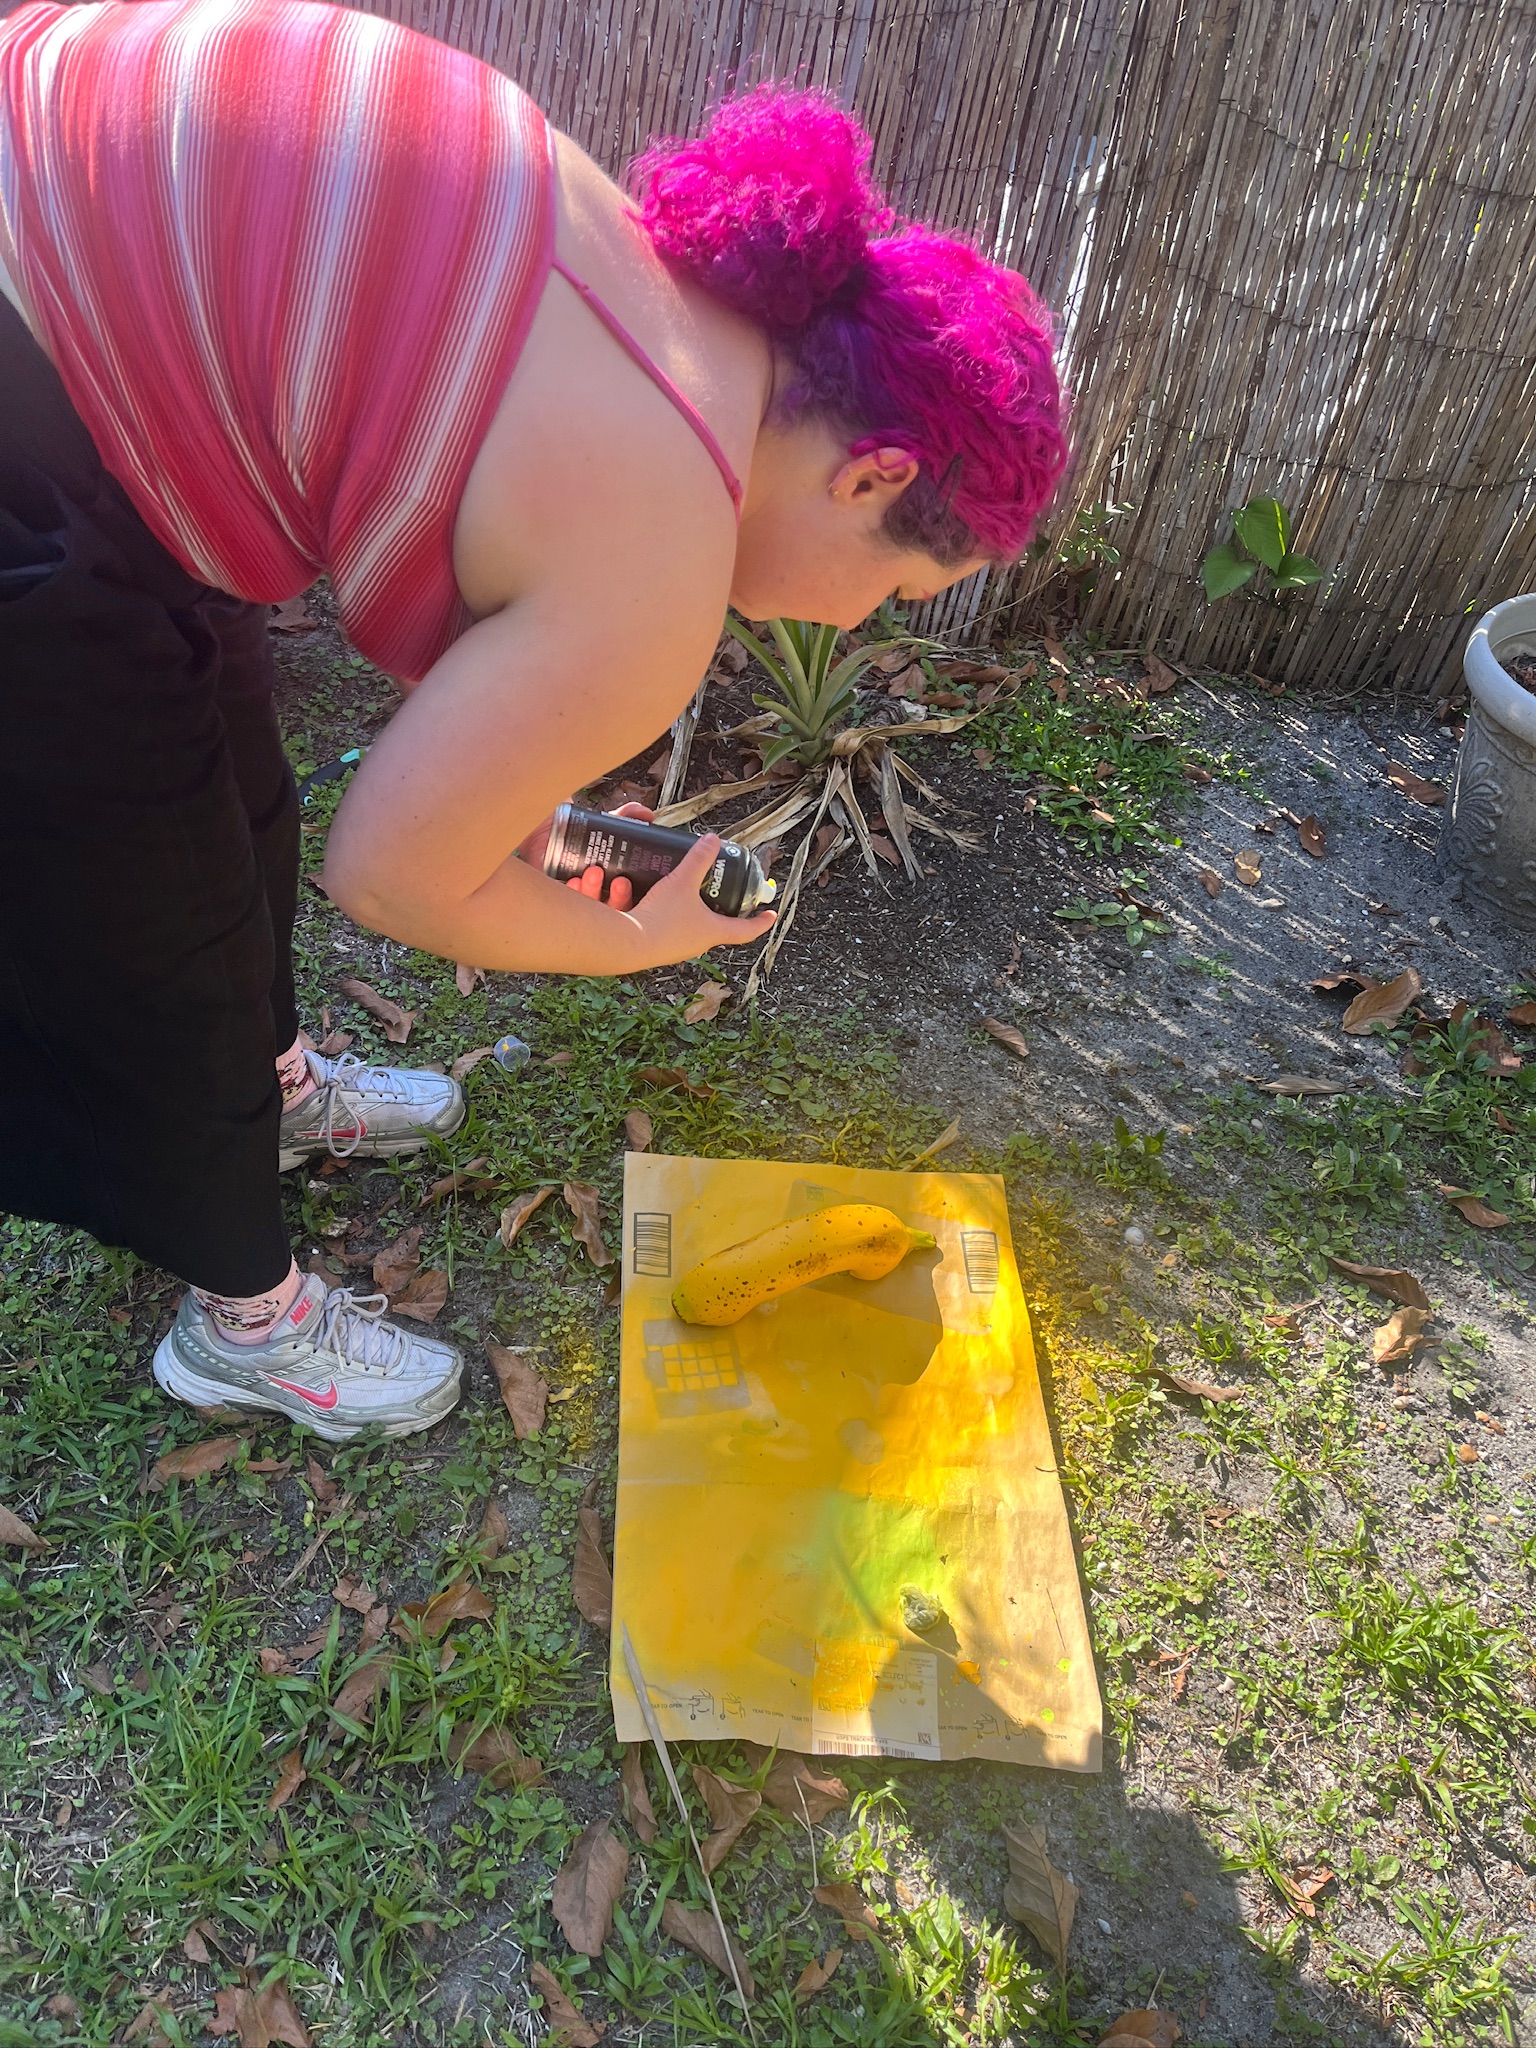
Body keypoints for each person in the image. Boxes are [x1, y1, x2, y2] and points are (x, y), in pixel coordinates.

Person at [0, 0, 1068, 1442]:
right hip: (33, 371)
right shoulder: (659, 558)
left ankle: (272, 1088)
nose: (857, 626)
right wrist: (646, 932)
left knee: (230, 780)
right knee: (150, 907)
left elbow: (460, 777)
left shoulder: (672, 304)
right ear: (872, 478)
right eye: (900, 588)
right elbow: (389, 875)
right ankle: (240, 1321)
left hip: (61, 211)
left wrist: (600, 861)